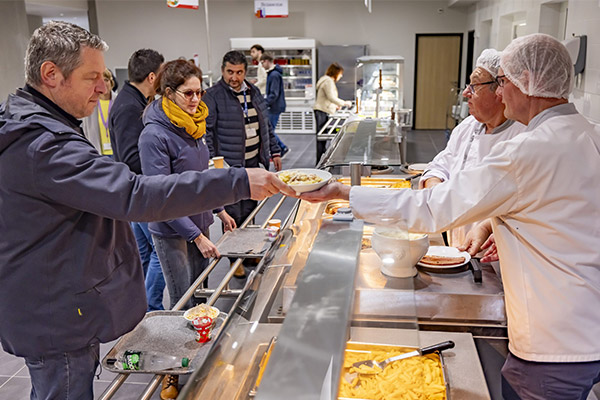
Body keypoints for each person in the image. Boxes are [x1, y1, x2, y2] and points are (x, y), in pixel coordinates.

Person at [0, 21, 293, 400]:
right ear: (51, 74)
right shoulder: (43, 145)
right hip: (54, 312)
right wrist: (236, 181)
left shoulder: (39, 124)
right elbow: (135, 194)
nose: (105, 88)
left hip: (55, 300)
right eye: (92, 77)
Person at [301, 33, 600, 400]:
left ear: (529, 83)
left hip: (553, 345)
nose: (502, 94)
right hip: (586, 327)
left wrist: (343, 192)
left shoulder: (528, 149)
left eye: (503, 83)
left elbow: (432, 208)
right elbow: (566, 209)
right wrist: (499, 222)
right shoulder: (588, 133)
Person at [419, 49, 525, 247]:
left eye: (474, 86)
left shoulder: (522, 136)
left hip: (493, 255)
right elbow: (441, 164)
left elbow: (523, 204)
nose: (466, 93)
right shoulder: (468, 126)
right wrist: (435, 188)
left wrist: (486, 227)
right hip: (456, 240)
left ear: (500, 91)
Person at [203, 50, 283, 278]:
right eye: (230, 72)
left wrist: (274, 150)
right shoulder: (214, 95)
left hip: (253, 163)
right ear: (222, 70)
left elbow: (265, 124)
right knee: (233, 213)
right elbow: (207, 132)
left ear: (245, 72)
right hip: (229, 166)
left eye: (239, 72)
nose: (234, 77)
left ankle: (248, 252)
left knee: (251, 209)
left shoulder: (253, 91)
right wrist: (212, 161)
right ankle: (233, 260)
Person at [109, 48, 166, 311]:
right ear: (152, 76)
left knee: (144, 254)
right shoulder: (129, 106)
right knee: (159, 253)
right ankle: (151, 307)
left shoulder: (131, 100)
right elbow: (132, 157)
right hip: (140, 192)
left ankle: (140, 306)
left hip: (133, 191)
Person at [314, 62, 352, 163]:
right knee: (321, 138)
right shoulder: (328, 81)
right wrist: (344, 103)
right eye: (340, 73)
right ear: (335, 73)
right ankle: (320, 162)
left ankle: (322, 160)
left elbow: (327, 98)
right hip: (321, 110)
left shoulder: (326, 80)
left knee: (322, 138)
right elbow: (331, 97)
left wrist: (335, 105)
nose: (341, 76)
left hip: (322, 109)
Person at [82, 68, 116, 156]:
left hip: (117, 153)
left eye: (106, 80)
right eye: (100, 81)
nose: (104, 84)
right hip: (98, 153)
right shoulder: (90, 104)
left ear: (111, 82)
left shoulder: (119, 101)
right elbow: (85, 130)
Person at [260, 52, 289, 156]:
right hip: (274, 106)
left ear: (267, 61)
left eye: (262, 62)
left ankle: (281, 148)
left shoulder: (274, 75)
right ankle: (279, 149)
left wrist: (265, 103)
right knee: (269, 129)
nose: (262, 65)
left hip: (274, 107)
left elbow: (274, 93)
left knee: (269, 130)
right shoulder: (273, 74)